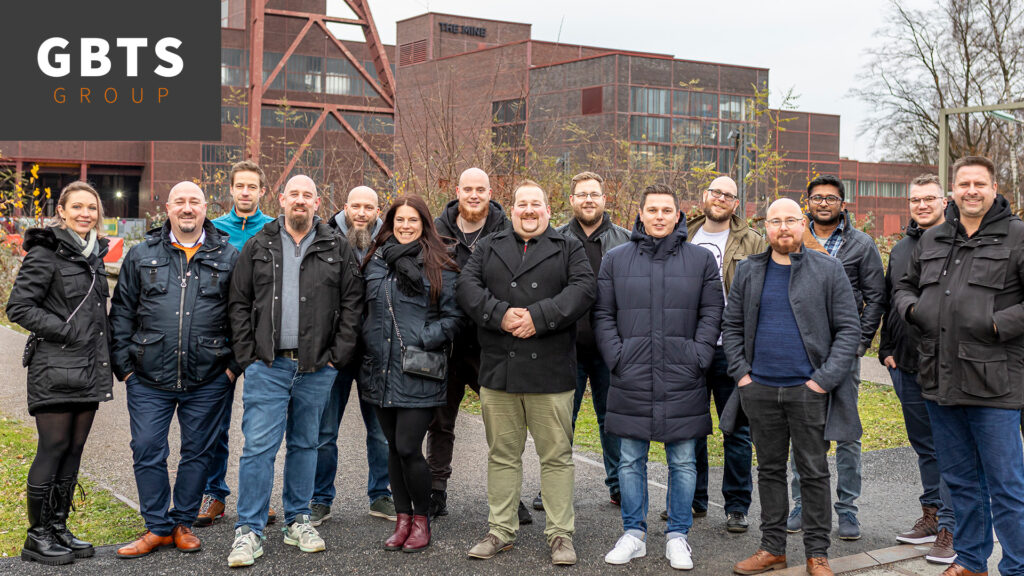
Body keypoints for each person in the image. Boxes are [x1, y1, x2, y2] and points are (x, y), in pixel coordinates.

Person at [894, 156, 1024, 576]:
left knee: (1006, 487)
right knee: (961, 482)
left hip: (996, 384)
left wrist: (994, 323)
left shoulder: (1017, 237)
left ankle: (1017, 567)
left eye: (979, 183)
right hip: (939, 380)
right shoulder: (934, 239)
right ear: (953, 190)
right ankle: (970, 561)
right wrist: (914, 310)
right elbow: (903, 284)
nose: (971, 190)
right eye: (964, 183)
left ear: (993, 187)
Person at [225, 175, 363, 568]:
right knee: (258, 448)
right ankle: (249, 530)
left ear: (318, 202)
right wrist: (248, 355)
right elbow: (239, 301)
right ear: (282, 200)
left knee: (307, 444)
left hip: (318, 366)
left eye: (308, 195)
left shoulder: (336, 246)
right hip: (268, 364)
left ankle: (297, 519)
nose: (300, 201)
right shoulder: (258, 245)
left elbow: (353, 304)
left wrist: (337, 356)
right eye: (294, 195)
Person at [458, 180, 595, 566]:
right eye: (522, 204)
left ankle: (560, 535)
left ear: (548, 210)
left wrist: (539, 317)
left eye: (537, 204)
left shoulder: (569, 246)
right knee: (502, 454)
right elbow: (466, 287)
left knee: (556, 456)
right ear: (512, 210)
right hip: (500, 367)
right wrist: (501, 315)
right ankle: (500, 529)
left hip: (550, 370)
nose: (529, 210)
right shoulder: (488, 246)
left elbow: (584, 289)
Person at [722, 198, 860, 576]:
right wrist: (743, 376)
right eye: (774, 221)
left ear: (803, 223)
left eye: (790, 220)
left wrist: (822, 381)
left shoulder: (829, 270)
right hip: (760, 390)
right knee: (768, 470)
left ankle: (818, 553)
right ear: (765, 227)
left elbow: (849, 330)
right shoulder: (750, 271)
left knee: (813, 472)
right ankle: (772, 548)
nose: (783, 227)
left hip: (808, 391)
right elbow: (731, 327)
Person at [108, 182, 241, 559]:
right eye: (179, 202)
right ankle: (156, 527)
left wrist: (231, 369)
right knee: (147, 448)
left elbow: (242, 318)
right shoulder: (140, 254)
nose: (187, 208)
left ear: (205, 208)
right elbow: (121, 314)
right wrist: (126, 369)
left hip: (209, 378)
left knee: (198, 451)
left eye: (193, 202)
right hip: (148, 377)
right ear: (167, 208)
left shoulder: (228, 256)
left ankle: (181, 522)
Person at [595, 184, 724, 570]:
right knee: (630, 460)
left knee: (683, 462)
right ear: (641, 213)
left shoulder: (700, 260)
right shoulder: (616, 259)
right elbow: (602, 315)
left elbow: (712, 313)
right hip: (630, 372)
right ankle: (633, 534)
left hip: (682, 373)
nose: (659, 217)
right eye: (652, 210)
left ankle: (677, 536)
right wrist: (617, 357)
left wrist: (698, 355)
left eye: (667, 210)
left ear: (678, 214)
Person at [7, 182, 114, 565]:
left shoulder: (94, 255)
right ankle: (36, 536)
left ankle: (58, 527)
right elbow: (18, 307)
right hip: (54, 367)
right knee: (51, 448)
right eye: (78, 207)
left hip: (88, 369)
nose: (86, 213)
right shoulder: (46, 253)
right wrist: (66, 331)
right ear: (62, 211)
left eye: (91, 207)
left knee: (73, 449)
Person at [359, 195, 463, 552]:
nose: (405, 226)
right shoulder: (375, 262)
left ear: (424, 225)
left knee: (408, 446)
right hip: (379, 368)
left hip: (419, 369)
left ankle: (421, 520)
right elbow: (362, 310)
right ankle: (401, 520)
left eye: (412, 221)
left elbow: (454, 317)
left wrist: (426, 337)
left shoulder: (440, 264)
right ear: (390, 223)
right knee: (393, 448)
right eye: (399, 220)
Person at [789, 175, 885, 541]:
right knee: (803, 433)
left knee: (847, 435)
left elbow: (876, 296)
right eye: (817, 198)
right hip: (801, 353)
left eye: (831, 198)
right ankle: (803, 504)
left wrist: (858, 344)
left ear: (843, 204)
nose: (824, 203)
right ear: (807, 202)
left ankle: (848, 510)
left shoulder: (862, 245)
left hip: (843, 354)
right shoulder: (794, 240)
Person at [427, 167, 525, 521]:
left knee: (503, 423)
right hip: (447, 342)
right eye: (467, 189)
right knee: (440, 421)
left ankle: (511, 495)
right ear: (457, 191)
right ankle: (436, 490)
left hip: (492, 343)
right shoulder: (436, 231)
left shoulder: (507, 230)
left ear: (490, 190)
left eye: (480, 189)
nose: (473, 195)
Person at [878, 174, 956, 563]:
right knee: (925, 446)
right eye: (914, 200)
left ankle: (951, 527)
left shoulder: (961, 241)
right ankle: (931, 514)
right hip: (905, 364)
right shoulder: (902, 248)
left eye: (928, 199)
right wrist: (887, 349)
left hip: (946, 365)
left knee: (951, 448)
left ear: (945, 200)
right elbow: (893, 298)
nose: (921, 205)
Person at [198, 160, 277, 528]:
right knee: (216, 423)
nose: (245, 192)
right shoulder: (214, 230)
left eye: (252, 186)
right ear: (229, 190)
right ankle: (214, 494)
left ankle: (259, 497)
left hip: (264, 341)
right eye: (239, 186)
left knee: (262, 425)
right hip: (221, 339)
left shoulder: (274, 230)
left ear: (263, 191)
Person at [310, 185, 395, 526]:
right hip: (334, 351)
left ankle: (381, 494)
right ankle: (320, 499)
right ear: (343, 207)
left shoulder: (391, 242)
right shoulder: (324, 237)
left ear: (379, 210)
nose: (361, 212)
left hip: (377, 352)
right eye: (355, 206)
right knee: (325, 431)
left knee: (379, 432)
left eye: (369, 207)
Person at [686, 175, 765, 532]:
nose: (719, 198)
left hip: (733, 351)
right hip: (690, 348)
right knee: (691, 428)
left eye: (728, 195)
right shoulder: (684, 234)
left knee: (737, 431)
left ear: (736, 204)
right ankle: (694, 500)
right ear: (705, 196)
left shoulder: (753, 241)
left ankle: (737, 506)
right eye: (715, 192)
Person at [552, 171, 629, 509]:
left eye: (594, 194)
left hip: (610, 349)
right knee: (559, 422)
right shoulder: (552, 239)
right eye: (581, 194)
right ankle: (551, 486)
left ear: (604, 199)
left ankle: (618, 485)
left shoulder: (627, 241)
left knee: (611, 420)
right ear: (571, 200)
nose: (588, 200)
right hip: (564, 348)